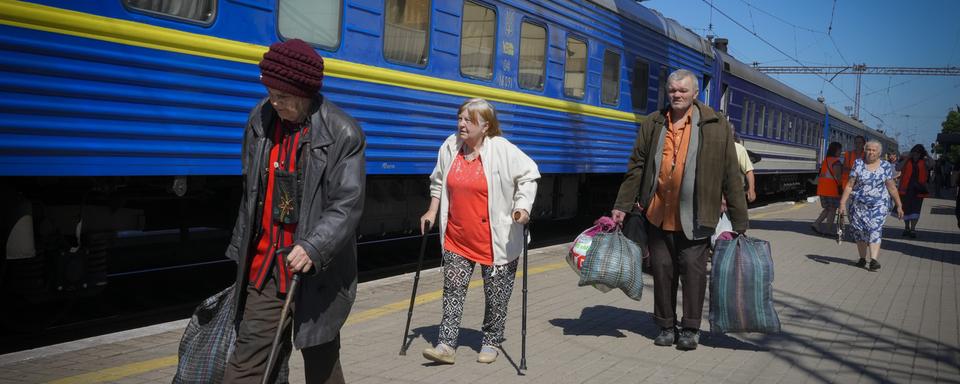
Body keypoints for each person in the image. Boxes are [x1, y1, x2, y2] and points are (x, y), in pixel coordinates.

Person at [223, 38, 366, 384]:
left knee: (321, 364)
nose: (275, 102)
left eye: (283, 97)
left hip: (317, 273)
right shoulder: (260, 119)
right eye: (270, 92)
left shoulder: (343, 133)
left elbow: (346, 204)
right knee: (246, 362)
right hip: (267, 266)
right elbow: (251, 193)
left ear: (305, 94)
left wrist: (314, 246)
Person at [610, 69, 748, 351]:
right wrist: (622, 205)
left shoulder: (715, 124)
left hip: (697, 216)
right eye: (672, 90)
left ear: (695, 93)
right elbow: (636, 165)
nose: (676, 95)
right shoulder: (654, 122)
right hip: (658, 212)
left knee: (693, 274)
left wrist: (739, 220)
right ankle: (664, 325)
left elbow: (730, 173)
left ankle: (691, 327)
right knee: (662, 271)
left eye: (682, 91)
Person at [419, 98, 540, 364]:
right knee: (452, 290)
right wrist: (431, 211)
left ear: (485, 125)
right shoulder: (450, 146)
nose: (461, 124)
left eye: (468, 120)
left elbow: (529, 174)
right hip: (457, 236)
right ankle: (446, 344)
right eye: (460, 118)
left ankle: (491, 341)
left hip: (495, 239)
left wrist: (522, 207)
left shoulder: (501, 149)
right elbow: (438, 181)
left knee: (496, 296)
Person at [839, 140, 903, 272]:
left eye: (874, 150)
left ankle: (873, 260)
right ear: (865, 150)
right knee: (859, 231)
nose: (871, 152)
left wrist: (899, 205)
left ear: (879, 153)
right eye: (868, 149)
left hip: (878, 205)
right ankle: (862, 259)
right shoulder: (858, 163)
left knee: (875, 229)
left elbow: (891, 187)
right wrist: (842, 203)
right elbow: (850, 184)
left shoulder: (885, 166)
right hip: (858, 205)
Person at [897, 144, 931, 238]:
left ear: (921, 154)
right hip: (906, 189)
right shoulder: (906, 160)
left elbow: (933, 164)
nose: (916, 155)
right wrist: (907, 158)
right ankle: (906, 227)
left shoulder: (924, 161)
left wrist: (927, 155)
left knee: (916, 210)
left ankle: (913, 229)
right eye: (914, 153)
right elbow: (898, 168)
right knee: (906, 210)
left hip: (918, 190)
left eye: (918, 153)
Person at [812, 142, 844, 235]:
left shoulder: (825, 160)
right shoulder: (836, 162)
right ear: (836, 150)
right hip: (832, 190)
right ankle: (828, 230)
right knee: (832, 209)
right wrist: (843, 188)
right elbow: (838, 177)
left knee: (827, 209)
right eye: (840, 150)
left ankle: (816, 224)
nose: (840, 152)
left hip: (822, 189)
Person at [733, 134, 757, 203]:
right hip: (735, 191)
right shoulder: (739, 148)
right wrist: (751, 190)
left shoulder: (713, 147)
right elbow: (749, 171)